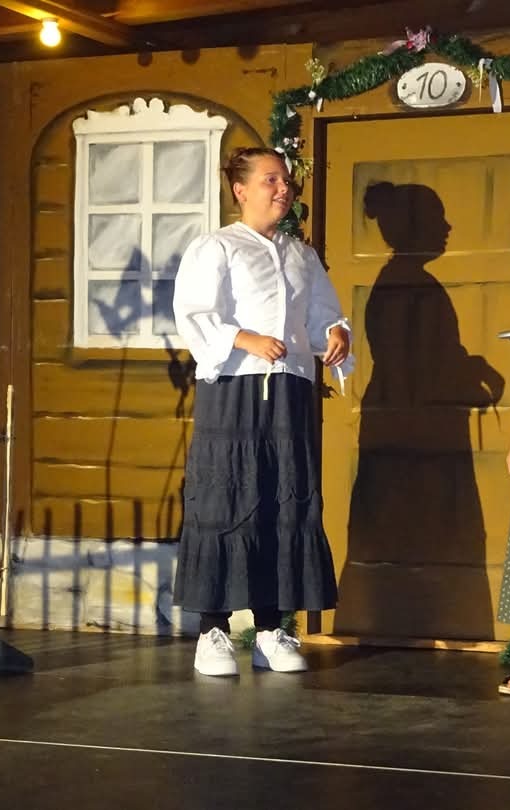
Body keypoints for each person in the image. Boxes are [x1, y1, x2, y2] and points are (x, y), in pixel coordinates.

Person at [172, 146, 352, 677]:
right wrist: (242, 337)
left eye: (286, 181)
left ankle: (272, 628)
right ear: (241, 190)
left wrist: (334, 334)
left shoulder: (301, 255)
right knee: (227, 498)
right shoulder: (218, 247)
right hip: (235, 387)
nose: (283, 189)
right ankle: (212, 630)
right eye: (271, 180)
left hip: (289, 390)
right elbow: (194, 311)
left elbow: (322, 313)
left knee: (282, 499)